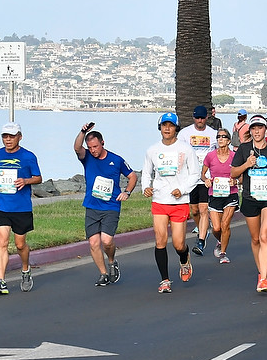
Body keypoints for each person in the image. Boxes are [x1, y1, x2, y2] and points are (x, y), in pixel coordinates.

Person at [141, 112, 201, 293]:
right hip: (159, 200)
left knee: (178, 244)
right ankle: (165, 280)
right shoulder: (152, 150)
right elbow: (146, 172)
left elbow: (195, 173)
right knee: (160, 240)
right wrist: (146, 187)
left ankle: (184, 258)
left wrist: (182, 189)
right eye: (164, 125)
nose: (167, 128)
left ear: (176, 128)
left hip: (179, 201)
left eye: (171, 125)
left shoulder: (186, 149)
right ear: (160, 128)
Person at [0, 122, 42, 295]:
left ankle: (25, 270)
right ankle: (1, 282)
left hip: (21, 208)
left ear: (19, 137)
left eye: (11, 136)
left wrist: (26, 181)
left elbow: (38, 178)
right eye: (5, 136)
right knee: (2, 242)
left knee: (20, 245)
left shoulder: (28, 156)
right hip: (1, 205)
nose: (8, 140)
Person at [231, 115, 267, 293]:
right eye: (254, 129)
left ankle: (263, 279)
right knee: (256, 238)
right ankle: (261, 272)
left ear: (265, 130)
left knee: (265, 235)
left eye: (260, 128)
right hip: (250, 198)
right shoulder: (243, 148)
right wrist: (247, 165)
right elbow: (234, 173)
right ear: (250, 131)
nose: (257, 131)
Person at [74, 122, 137, 286]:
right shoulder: (86, 157)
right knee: (94, 243)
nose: (93, 150)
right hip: (92, 206)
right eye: (90, 147)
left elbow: (133, 176)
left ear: (102, 143)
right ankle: (103, 274)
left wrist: (127, 192)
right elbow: (76, 148)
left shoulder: (116, 160)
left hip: (111, 207)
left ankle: (111, 261)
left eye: (95, 146)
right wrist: (82, 131)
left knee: (107, 241)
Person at [177, 106, 218, 255]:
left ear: (207, 117)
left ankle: (200, 240)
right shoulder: (184, 133)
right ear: (193, 118)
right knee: (194, 210)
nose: (200, 121)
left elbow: (219, 152)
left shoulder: (213, 134)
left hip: (206, 178)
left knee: (203, 209)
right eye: (197, 118)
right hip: (190, 177)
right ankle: (203, 228)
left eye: (202, 118)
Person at [201, 128, 238, 263]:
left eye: (223, 137)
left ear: (228, 140)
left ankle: (223, 253)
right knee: (216, 228)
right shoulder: (210, 156)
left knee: (225, 224)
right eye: (218, 137)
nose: (220, 139)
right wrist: (206, 180)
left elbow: (241, 175)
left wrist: (236, 180)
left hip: (231, 194)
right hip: (215, 194)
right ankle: (220, 240)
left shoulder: (235, 156)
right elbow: (203, 174)